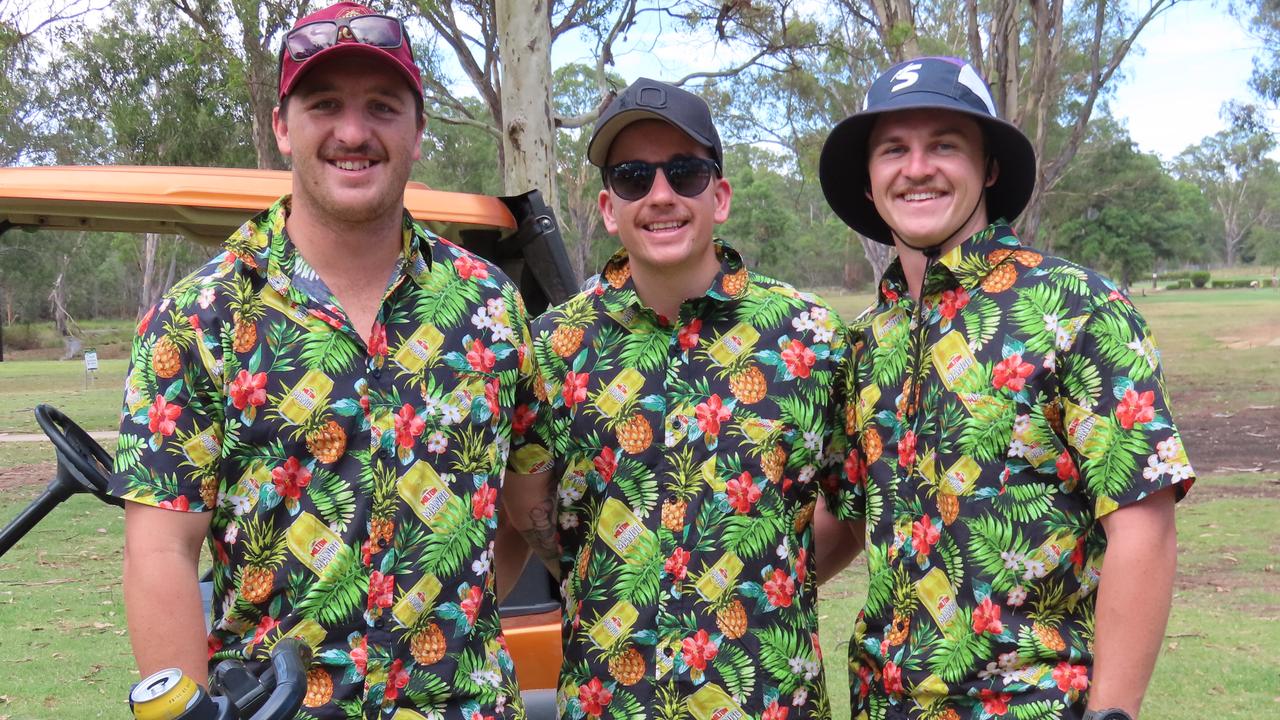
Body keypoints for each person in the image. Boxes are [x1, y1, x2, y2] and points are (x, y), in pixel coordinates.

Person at [109, 3, 532, 717]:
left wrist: (452, 607)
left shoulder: (489, 306)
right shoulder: (200, 318)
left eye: (383, 107)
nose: (353, 132)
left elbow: (520, 509)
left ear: (418, 131)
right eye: (324, 104)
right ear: (282, 126)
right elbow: (160, 552)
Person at [817, 56, 1195, 720]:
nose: (917, 167)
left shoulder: (1077, 308)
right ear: (870, 182)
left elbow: (1143, 522)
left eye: (945, 145)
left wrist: (1113, 713)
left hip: (1036, 704)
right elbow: (848, 513)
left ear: (988, 168)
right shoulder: (866, 340)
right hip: (883, 704)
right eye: (893, 150)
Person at [501, 77, 861, 720]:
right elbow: (529, 502)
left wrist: (765, 576)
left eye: (685, 172)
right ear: (610, 207)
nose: (661, 195)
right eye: (635, 176)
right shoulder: (554, 348)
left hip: (768, 700)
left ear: (718, 196)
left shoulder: (812, 338)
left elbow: (849, 503)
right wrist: (614, 565)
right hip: (609, 699)